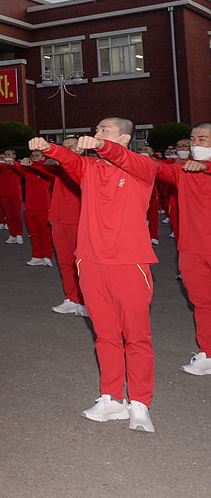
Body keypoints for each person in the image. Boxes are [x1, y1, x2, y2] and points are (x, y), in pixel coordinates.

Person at [29, 117, 158, 432]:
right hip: (90, 263)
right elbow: (71, 160)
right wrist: (50, 148)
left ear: (125, 138)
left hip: (129, 264)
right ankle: (111, 398)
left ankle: (139, 403)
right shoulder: (91, 169)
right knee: (106, 336)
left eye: (105, 130)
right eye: (96, 130)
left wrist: (102, 145)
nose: (96, 134)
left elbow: (124, 158)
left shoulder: (142, 167)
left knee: (137, 337)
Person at [153, 122, 211, 375]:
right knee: (202, 303)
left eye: (203, 139)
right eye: (193, 139)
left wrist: (206, 166)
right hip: (192, 249)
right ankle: (207, 353)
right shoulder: (181, 171)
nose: (196, 145)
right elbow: (151, 168)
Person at [27, 138, 87, 316]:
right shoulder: (58, 168)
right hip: (59, 219)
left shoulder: (87, 167)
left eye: (71, 147)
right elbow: (41, 165)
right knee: (65, 263)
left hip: (80, 220)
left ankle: (86, 301)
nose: (66, 150)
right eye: (64, 148)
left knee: (82, 264)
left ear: (81, 149)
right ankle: (71, 298)